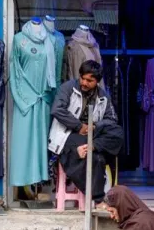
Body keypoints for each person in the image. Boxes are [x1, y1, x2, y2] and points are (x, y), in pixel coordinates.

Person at [48, 60, 124, 203]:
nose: (84, 83)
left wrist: (95, 126)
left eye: (90, 80)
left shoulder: (103, 96)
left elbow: (112, 119)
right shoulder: (68, 88)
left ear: (97, 81)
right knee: (96, 158)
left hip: (91, 135)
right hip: (68, 134)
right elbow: (57, 109)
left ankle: (92, 146)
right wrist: (78, 126)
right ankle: (98, 198)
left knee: (118, 132)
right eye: (83, 78)